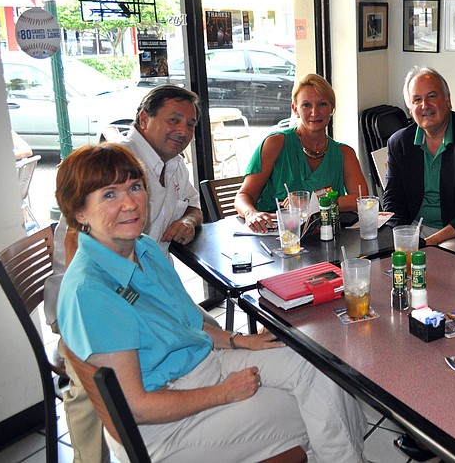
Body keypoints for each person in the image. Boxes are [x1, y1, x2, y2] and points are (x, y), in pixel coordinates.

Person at [55, 144, 367, 461]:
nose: (130, 203)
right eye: (109, 195)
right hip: (167, 428)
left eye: (134, 187)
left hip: (202, 366)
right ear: (79, 212)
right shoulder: (91, 292)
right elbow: (135, 406)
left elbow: (188, 324)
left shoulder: (144, 248)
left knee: (320, 368)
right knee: (324, 411)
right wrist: (223, 394)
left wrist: (237, 340)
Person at [44, 85, 209, 462]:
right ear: (143, 119)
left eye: (190, 123)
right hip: (95, 294)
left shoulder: (176, 165)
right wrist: (105, 304)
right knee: (101, 390)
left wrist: (187, 219)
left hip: (143, 288)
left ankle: (181, 415)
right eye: (173, 120)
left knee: (192, 333)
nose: (183, 130)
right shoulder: (119, 161)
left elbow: (195, 208)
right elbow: (76, 244)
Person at [236, 73, 368, 233]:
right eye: (306, 105)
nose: (314, 112)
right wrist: (251, 214)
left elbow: (361, 199)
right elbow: (243, 196)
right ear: (295, 109)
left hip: (325, 237)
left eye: (322, 104)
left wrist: (312, 204)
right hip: (275, 237)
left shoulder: (344, 153)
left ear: (332, 108)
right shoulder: (276, 143)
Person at [383, 67, 455, 247]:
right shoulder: (399, 143)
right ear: (410, 110)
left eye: (432, 96)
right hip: (413, 229)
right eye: (417, 100)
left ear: (448, 99)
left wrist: (429, 242)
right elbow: (393, 199)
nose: (425, 105)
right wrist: (403, 236)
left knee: (439, 263)